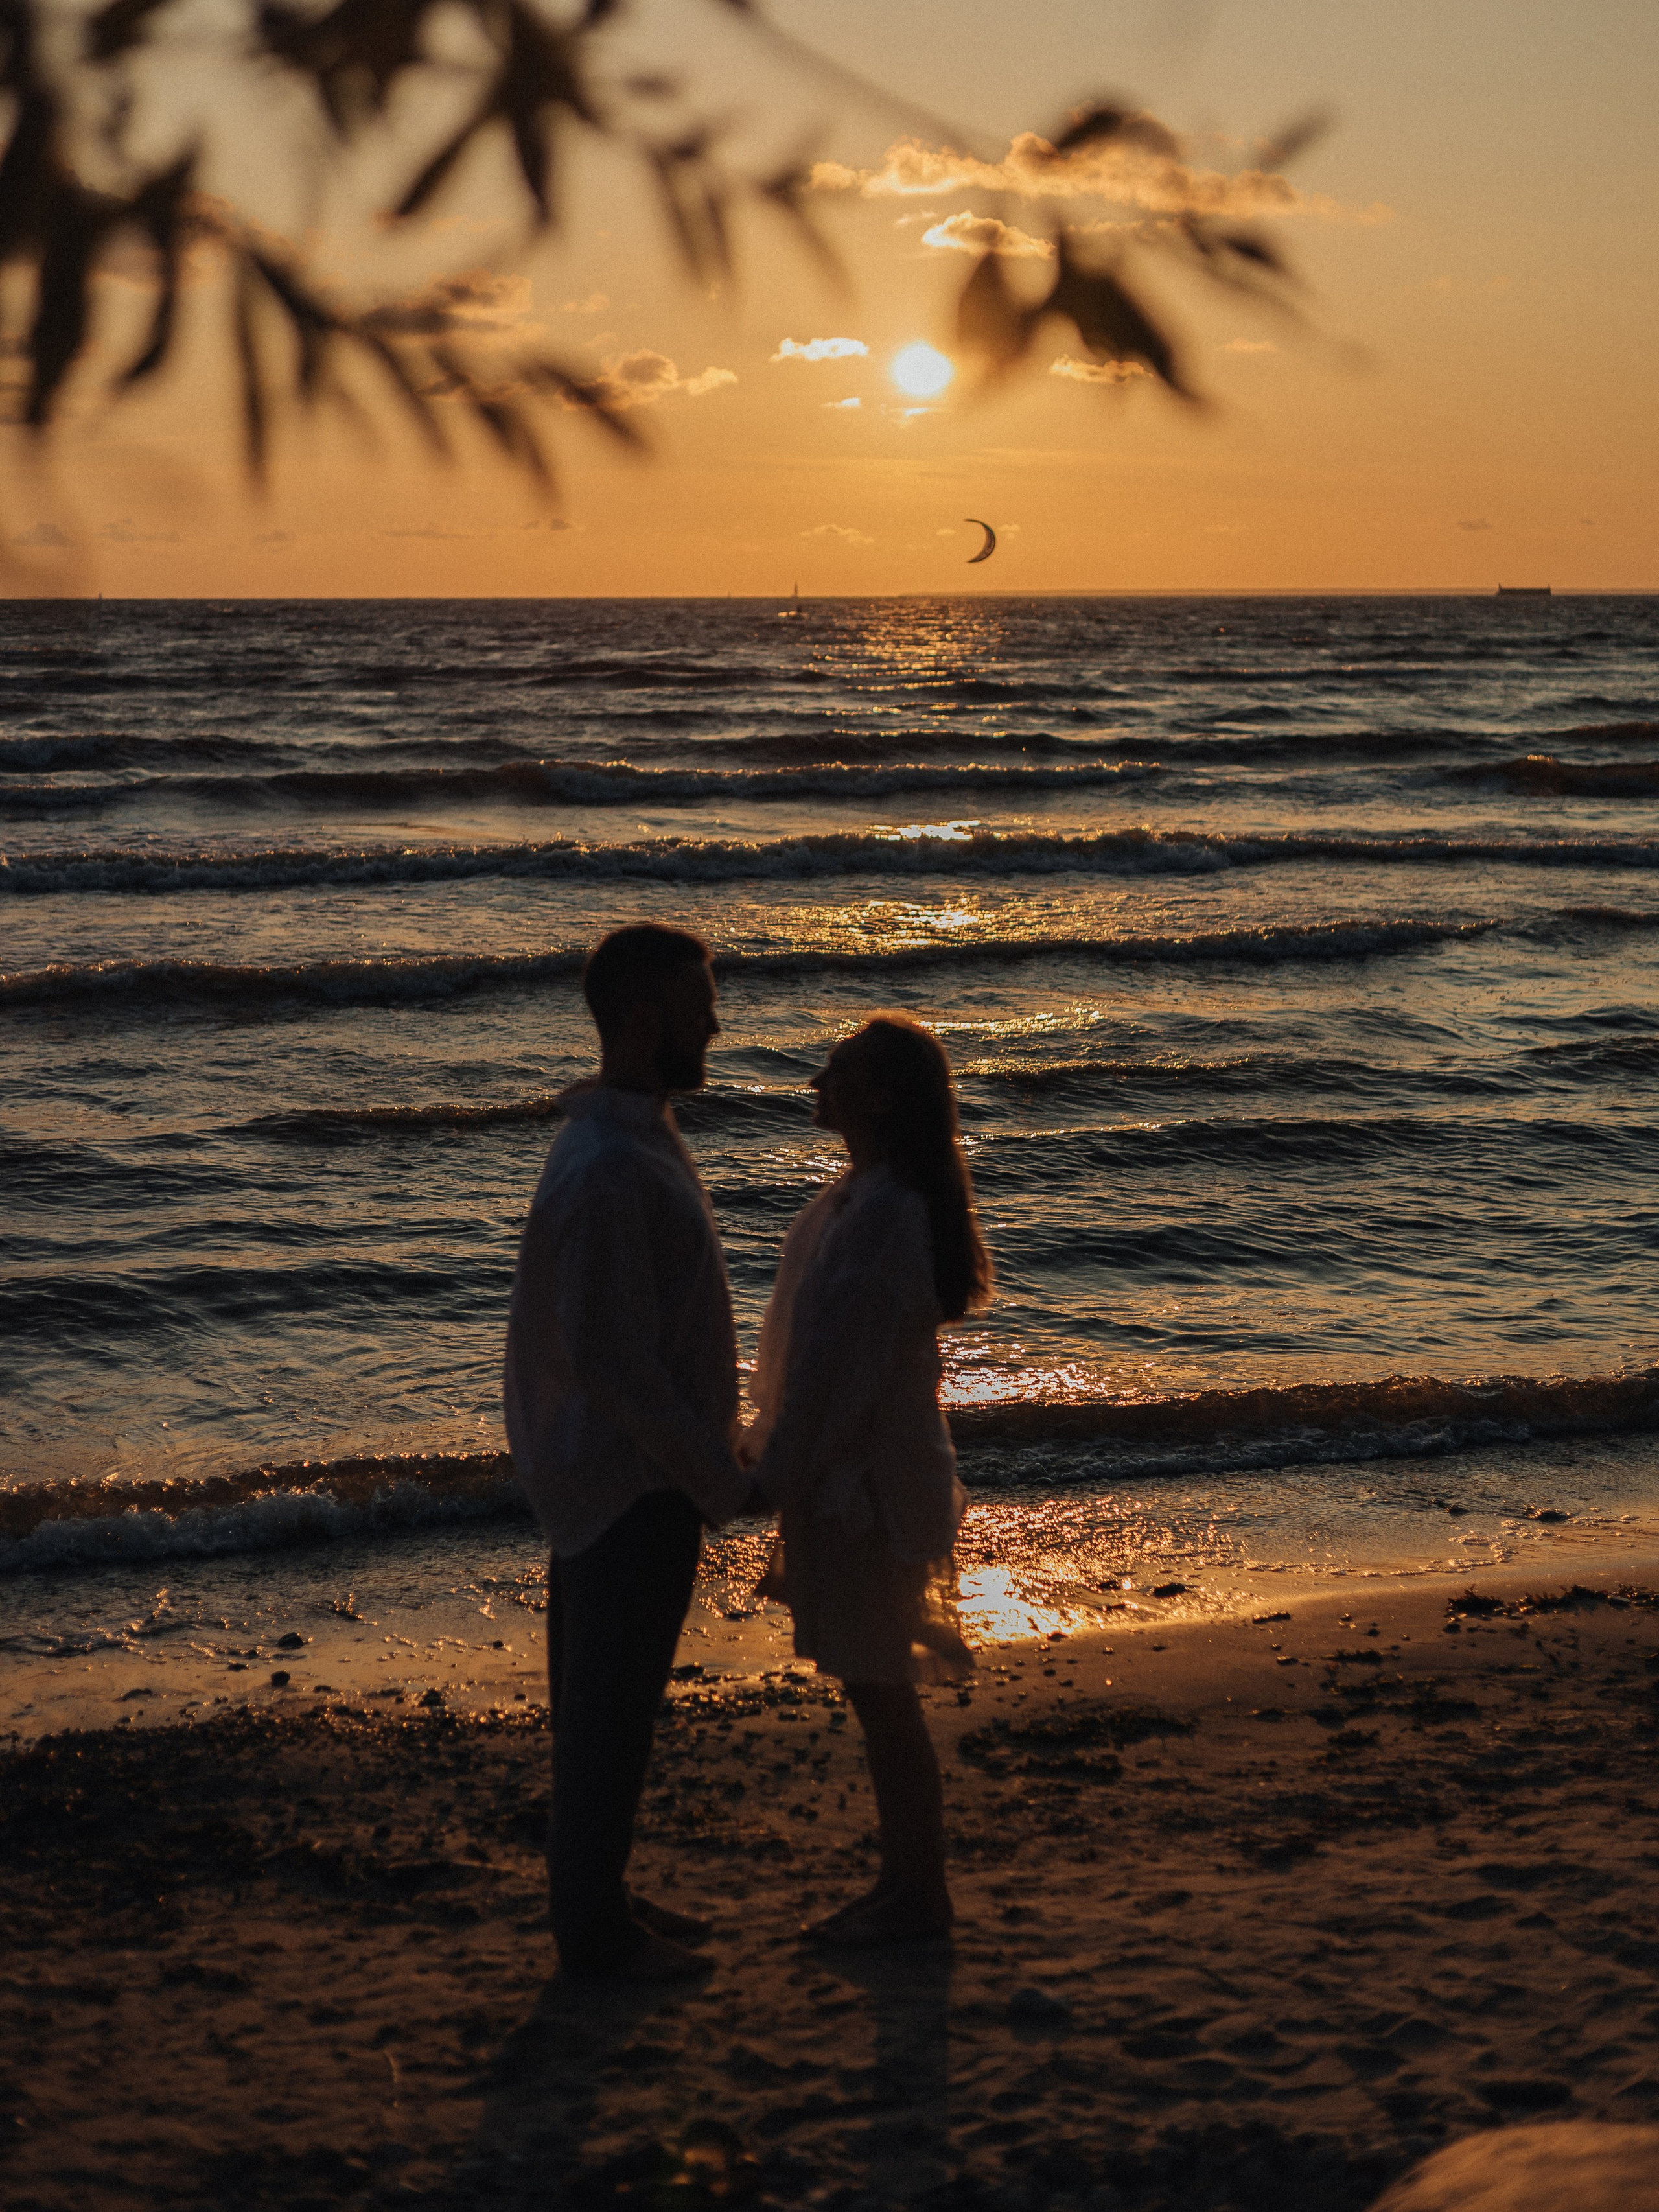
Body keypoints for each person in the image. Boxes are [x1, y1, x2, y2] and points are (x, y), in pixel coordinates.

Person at [503, 922, 748, 1982]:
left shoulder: (633, 1135)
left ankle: (597, 1889)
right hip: (627, 1477)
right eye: (700, 1006)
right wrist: (713, 1472)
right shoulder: (608, 1164)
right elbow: (616, 1363)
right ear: (646, 1022)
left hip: (633, 1472)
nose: (717, 1023)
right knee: (608, 1710)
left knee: (610, 1701)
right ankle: (592, 1932)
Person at [747, 1013, 993, 1946]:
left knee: (883, 1692)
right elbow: (802, 1360)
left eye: (837, 1071)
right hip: (847, 1480)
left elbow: (837, 1374)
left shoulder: (886, 1212)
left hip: (871, 1492)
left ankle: (919, 1894)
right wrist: (763, 1449)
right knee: (873, 1689)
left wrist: (773, 1473)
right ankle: (905, 1882)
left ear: (880, 1095)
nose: (818, 1082)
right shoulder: (855, 1199)